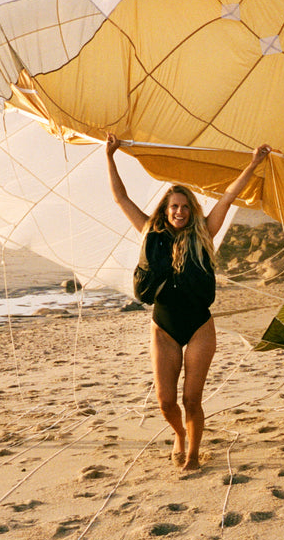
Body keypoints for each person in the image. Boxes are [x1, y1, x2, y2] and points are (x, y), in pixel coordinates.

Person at [106, 135, 271, 471]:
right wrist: (110, 156)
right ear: (166, 211)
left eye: (184, 206)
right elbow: (121, 198)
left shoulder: (204, 233)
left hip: (198, 326)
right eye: (174, 207)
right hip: (163, 326)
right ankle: (179, 433)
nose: (179, 211)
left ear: (190, 210)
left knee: (191, 399)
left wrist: (253, 164)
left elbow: (229, 196)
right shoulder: (149, 233)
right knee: (166, 401)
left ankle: (193, 455)